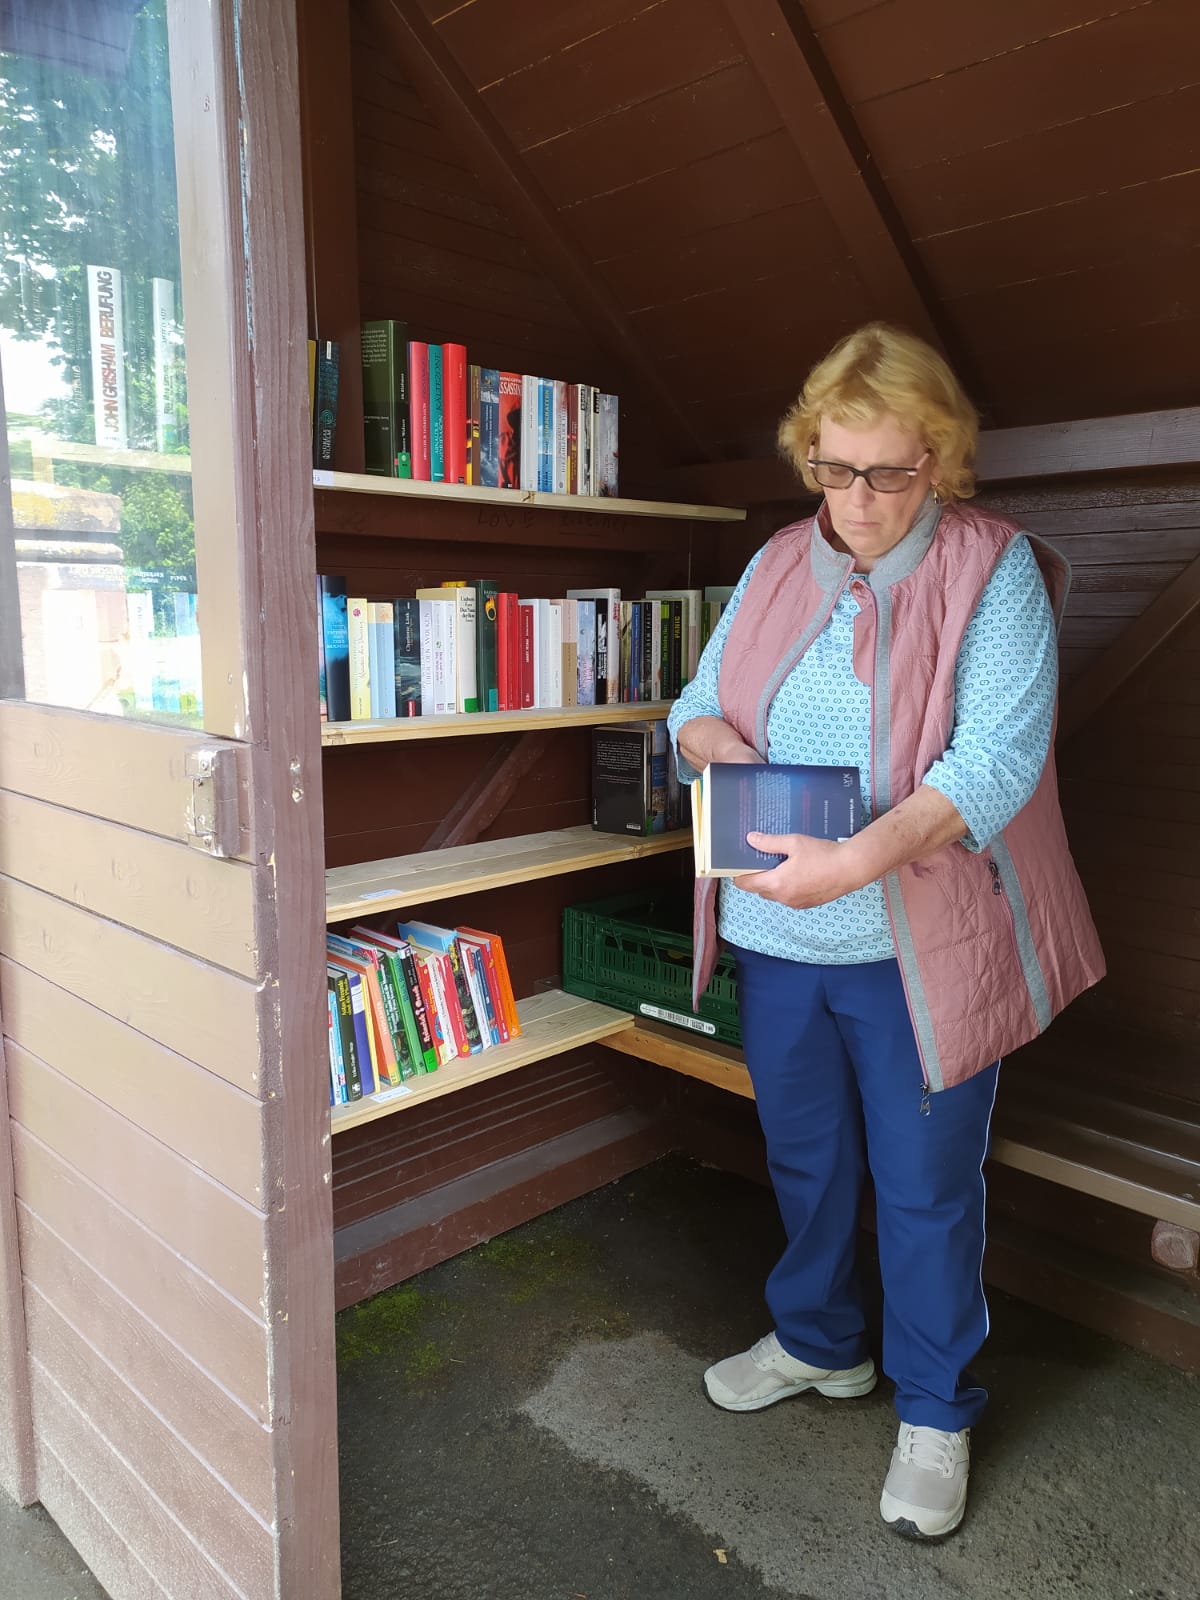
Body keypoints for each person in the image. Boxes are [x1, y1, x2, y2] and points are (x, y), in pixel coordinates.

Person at [667, 323, 1104, 1541]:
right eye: (834, 468)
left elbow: (999, 760)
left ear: (941, 460)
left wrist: (857, 858)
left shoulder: (991, 567)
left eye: (890, 473)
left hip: (917, 950)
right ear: (809, 455)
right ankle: (820, 1342)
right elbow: (694, 705)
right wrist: (723, 750)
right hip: (779, 939)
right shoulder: (772, 565)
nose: (858, 502)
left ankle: (937, 1408)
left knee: (923, 1188)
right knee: (806, 1159)